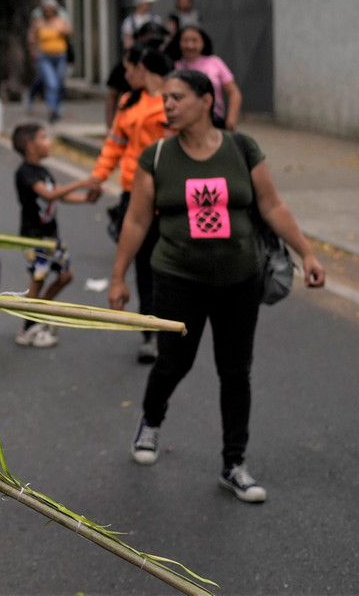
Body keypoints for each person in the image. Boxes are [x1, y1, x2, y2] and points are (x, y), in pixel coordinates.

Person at [110, 69, 325, 503]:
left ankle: (234, 464)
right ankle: (151, 422)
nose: (167, 105)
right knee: (173, 363)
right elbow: (135, 220)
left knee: (235, 371)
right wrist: (118, 276)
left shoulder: (241, 148)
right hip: (177, 279)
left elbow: (271, 204)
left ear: (206, 100)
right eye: (165, 97)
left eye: (177, 97)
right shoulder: (155, 156)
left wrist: (307, 252)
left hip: (238, 280)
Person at [87, 48, 173, 363]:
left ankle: (174, 325)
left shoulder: (172, 100)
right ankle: (150, 333)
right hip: (134, 194)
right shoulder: (129, 102)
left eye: (128, 69)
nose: (125, 76)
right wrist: (98, 177)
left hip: (171, 195)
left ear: (141, 67)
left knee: (171, 266)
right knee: (145, 267)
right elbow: (114, 145)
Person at [11, 123, 97, 348]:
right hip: (34, 238)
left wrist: (86, 198)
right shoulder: (25, 173)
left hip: (51, 237)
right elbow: (49, 195)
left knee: (65, 276)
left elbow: (61, 196)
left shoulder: (43, 170)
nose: (49, 142)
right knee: (37, 281)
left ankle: (39, 314)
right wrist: (81, 182)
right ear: (31, 146)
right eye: (43, 138)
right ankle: (27, 329)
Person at [173, 26, 243, 131]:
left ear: (203, 42)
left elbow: (234, 92)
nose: (190, 45)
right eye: (185, 40)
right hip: (183, 124)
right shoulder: (173, 66)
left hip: (214, 121)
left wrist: (231, 120)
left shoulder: (215, 62)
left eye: (194, 40)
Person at [28, 0, 73, 123]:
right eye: (46, 9)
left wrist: (64, 30)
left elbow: (71, 33)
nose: (48, 12)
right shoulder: (39, 23)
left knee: (59, 83)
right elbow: (31, 38)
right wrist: (33, 51)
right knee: (51, 83)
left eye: (50, 9)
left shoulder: (61, 21)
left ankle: (57, 107)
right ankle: (52, 110)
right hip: (45, 57)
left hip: (60, 56)